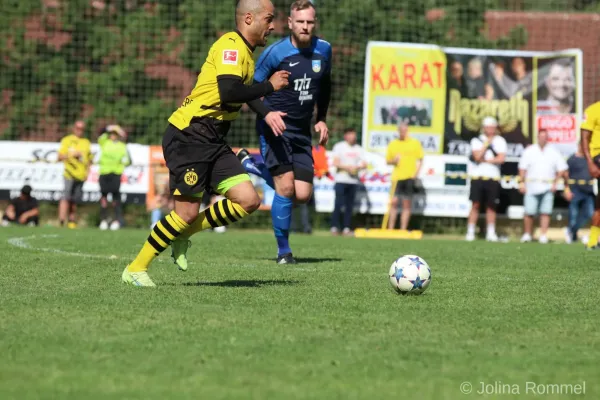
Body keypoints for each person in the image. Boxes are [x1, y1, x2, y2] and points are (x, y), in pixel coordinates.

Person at [122, 0, 290, 287]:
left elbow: (244, 94)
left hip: (211, 138)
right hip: (189, 135)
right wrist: (270, 86)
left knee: (249, 200)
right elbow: (229, 92)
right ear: (249, 18)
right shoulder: (231, 46)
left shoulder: (247, 54)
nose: (273, 26)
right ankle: (135, 269)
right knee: (185, 213)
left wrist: (267, 110)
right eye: (269, 19)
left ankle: (184, 234)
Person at [236, 0, 332, 264]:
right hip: (274, 129)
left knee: (302, 195)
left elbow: (325, 86)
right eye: (300, 21)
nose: (305, 26)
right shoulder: (275, 54)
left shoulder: (324, 50)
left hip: (302, 133)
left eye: (309, 22)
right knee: (286, 188)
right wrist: (267, 113)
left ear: (315, 23)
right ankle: (284, 252)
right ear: (290, 23)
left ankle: (251, 166)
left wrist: (321, 119)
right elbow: (250, 91)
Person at [518, 129, 567, 244]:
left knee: (546, 212)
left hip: (548, 187)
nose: (543, 139)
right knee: (529, 212)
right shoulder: (529, 151)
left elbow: (562, 168)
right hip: (531, 187)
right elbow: (522, 168)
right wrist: (521, 183)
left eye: (545, 137)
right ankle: (527, 234)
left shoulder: (553, 152)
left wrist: (555, 182)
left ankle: (543, 235)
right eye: (541, 136)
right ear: (537, 137)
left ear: (547, 138)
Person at [465, 116, 507, 242]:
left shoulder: (500, 141)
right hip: (478, 176)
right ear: (483, 128)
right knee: (475, 204)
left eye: (492, 127)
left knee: (491, 206)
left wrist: (488, 160)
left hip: (493, 177)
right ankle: (470, 232)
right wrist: (486, 145)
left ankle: (490, 232)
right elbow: (477, 157)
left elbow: (501, 158)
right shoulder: (476, 140)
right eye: (488, 127)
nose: (490, 129)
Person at [385, 121, 424, 230]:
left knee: (406, 204)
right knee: (393, 203)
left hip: (409, 178)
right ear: (398, 131)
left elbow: (420, 160)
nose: (403, 132)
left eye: (405, 130)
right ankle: (390, 229)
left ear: (408, 130)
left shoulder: (414, 143)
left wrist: (415, 174)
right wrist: (394, 161)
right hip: (396, 177)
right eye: (401, 130)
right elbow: (387, 161)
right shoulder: (393, 144)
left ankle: (403, 229)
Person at [330, 128, 367, 235]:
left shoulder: (359, 149)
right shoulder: (339, 146)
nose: (353, 137)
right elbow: (336, 162)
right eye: (350, 134)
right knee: (338, 204)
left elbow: (364, 163)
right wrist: (348, 168)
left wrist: (357, 167)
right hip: (341, 180)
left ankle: (346, 227)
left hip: (353, 181)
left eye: (354, 135)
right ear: (345, 136)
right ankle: (334, 227)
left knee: (349, 206)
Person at [57, 120, 92, 229]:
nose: (79, 131)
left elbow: (89, 160)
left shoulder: (86, 142)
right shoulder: (67, 140)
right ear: (74, 128)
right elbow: (59, 157)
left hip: (80, 175)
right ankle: (62, 221)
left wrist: (87, 172)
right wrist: (72, 154)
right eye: (78, 128)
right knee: (65, 197)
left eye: (82, 129)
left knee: (74, 200)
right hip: (69, 174)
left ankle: (71, 221)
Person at [97, 124, 131, 231]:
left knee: (115, 198)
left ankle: (116, 220)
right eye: (111, 134)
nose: (113, 136)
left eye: (115, 134)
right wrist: (110, 128)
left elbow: (128, 160)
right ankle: (103, 220)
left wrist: (122, 164)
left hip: (116, 174)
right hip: (104, 173)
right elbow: (101, 133)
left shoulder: (122, 146)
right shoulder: (104, 142)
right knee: (104, 197)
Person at [564, 141, 595, 244]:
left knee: (590, 213)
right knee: (573, 215)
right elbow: (566, 175)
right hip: (575, 191)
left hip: (589, 191)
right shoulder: (572, 159)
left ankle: (571, 231)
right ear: (578, 146)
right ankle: (572, 235)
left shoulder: (591, 159)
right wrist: (567, 189)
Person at [580, 100, 600, 250]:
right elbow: (584, 138)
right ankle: (593, 240)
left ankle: (593, 240)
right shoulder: (593, 110)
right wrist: (590, 162)